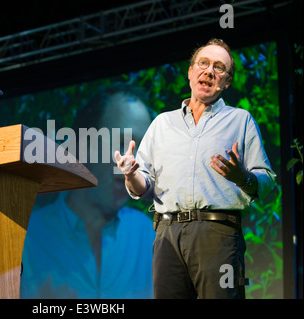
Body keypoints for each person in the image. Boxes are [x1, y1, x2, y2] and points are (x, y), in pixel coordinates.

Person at [114, 38, 277, 299]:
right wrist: (131, 174)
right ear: (191, 72)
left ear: (226, 82)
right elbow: (143, 187)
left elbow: (267, 181)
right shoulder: (161, 123)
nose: (209, 71)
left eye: (219, 67)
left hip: (218, 235)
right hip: (167, 233)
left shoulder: (240, 120)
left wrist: (242, 177)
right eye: (203, 63)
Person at [20, 83, 156, 299]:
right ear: (83, 146)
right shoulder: (25, 239)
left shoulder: (148, 236)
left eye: (142, 149)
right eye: (122, 142)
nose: (134, 161)